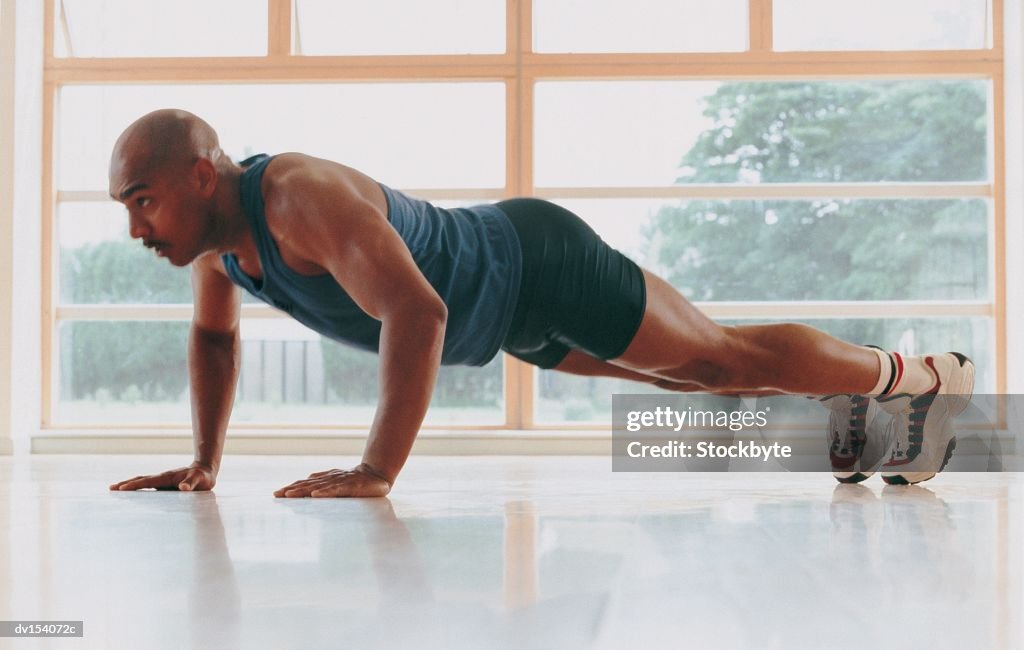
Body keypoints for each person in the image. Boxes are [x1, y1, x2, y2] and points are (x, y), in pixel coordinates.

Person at [105, 109, 974, 498]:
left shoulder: (295, 196)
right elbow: (213, 345)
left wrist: (376, 470)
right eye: (123, 209)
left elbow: (419, 313)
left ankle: (921, 378)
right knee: (696, 382)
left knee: (723, 361)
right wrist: (203, 459)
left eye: (142, 198)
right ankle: (855, 399)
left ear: (200, 174)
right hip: (510, 322)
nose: (136, 225)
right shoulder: (220, 257)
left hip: (534, 262)